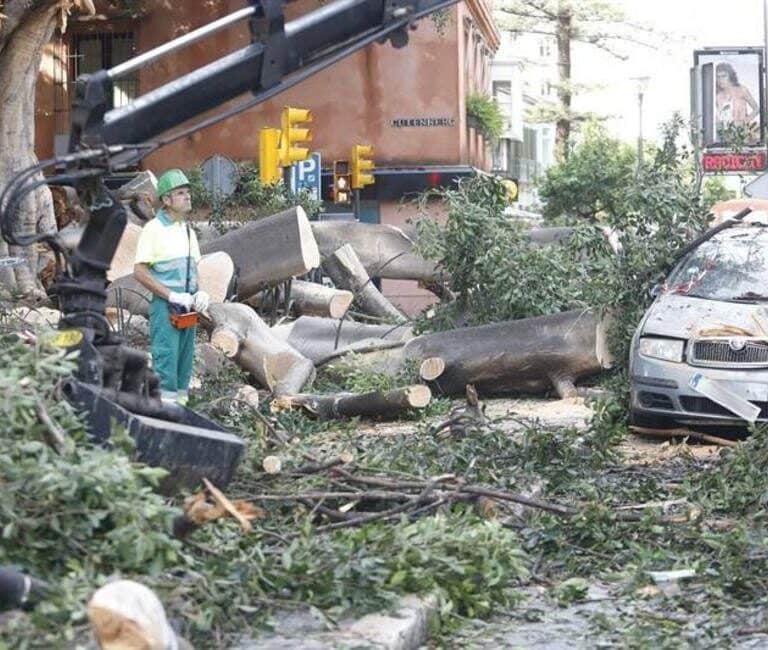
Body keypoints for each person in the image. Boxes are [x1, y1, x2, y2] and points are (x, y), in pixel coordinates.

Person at [134, 169, 209, 405]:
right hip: (166, 308)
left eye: (188, 192)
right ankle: (164, 413)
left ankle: (182, 411)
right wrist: (171, 295)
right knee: (166, 361)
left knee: (184, 364)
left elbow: (195, 268)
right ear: (166, 200)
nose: (187, 197)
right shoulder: (153, 230)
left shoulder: (186, 230)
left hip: (187, 308)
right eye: (180, 193)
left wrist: (201, 292)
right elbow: (140, 271)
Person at [715, 62, 760, 143]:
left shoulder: (741, 90)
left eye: (724, 76)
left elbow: (756, 108)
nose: (720, 80)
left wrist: (745, 121)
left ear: (730, 76)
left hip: (742, 134)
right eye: (718, 77)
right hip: (725, 136)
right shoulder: (717, 95)